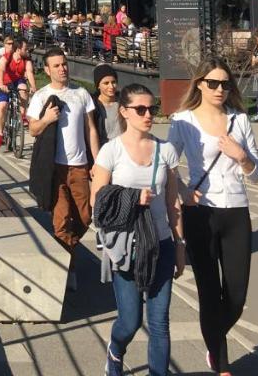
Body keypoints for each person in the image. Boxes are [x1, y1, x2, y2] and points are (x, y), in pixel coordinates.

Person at [168, 58, 258, 376]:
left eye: (225, 84)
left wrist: (243, 158)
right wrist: (182, 190)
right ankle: (221, 364)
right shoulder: (183, 121)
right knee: (209, 292)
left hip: (236, 210)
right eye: (213, 83)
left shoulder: (240, 120)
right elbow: (167, 164)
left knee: (235, 295)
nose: (220, 89)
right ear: (200, 85)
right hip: (201, 214)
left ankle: (213, 337)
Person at [91, 83, 184, 376]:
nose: (148, 115)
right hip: (126, 246)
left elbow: (173, 205)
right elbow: (98, 200)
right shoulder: (111, 151)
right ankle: (116, 350)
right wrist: (132, 198)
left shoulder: (166, 150)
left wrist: (180, 247)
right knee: (130, 321)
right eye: (140, 109)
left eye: (152, 109)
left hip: (161, 245)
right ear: (124, 112)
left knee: (159, 323)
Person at [26, 48, 101, 262]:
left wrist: (97, 162)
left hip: (79, 166)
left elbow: (91, 130)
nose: (62, 69)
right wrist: (47, 119)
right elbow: (33, 129)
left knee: (85, 216)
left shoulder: (81, 94)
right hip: (54, 167)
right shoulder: (41, 96)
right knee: (61, 220)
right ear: (47, 70)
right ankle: (69, 267)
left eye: (64, 64)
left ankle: (67, 247)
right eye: (56, 66)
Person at [0, 36, 31, 147]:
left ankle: (22, 115)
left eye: (12, 44)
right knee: (2, 106)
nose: (10, 46)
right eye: (8, 44)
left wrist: (33, 87)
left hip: (15, 82)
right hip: (3, 83)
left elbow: (29, 72)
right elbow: (1, 70)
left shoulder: (24, 58)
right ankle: (0, 134)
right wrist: (1, 84)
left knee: (23, 91)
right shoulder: (5, 56)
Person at [90, 64, 122, 148]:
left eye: (113, 82)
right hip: (102, 150)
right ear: (98, 86)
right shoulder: (92, 106)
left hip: (122, 149)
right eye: (106, 83)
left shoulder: (124, 103)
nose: (111, 86)